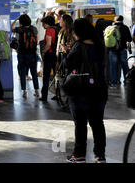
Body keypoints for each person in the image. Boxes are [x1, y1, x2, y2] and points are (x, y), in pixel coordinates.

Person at [64, 18, 108, 163]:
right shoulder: (100, 45)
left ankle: (79, 155)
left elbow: (67, 64)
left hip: (80, 90)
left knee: (80, 124)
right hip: (99, 89)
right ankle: (100, 156)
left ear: (77, 32)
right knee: (97, 123)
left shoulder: (78, 46)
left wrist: (66, 52)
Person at [12, 14, 40, 98]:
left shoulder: (20, 29)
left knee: (23, 72)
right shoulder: (34, 28)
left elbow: (11, 28)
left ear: (21, 22)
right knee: (34, 72)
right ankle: (37, 91)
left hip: (22, 53)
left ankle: (24, 91)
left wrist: (16, 19)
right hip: (32, 53)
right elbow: (37, 40)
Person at [108, 15, 132, 87]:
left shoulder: (110, 28)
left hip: (112, 50)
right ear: (122, 20)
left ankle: (114, 82)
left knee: (113, 67)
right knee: (125, 66)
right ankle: (127, 81)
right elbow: (129, 39)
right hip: (122, 49)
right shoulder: (125, 28)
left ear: (114, 20)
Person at [40, 15, 57, 102]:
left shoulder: (49, 30)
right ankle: (58, 95)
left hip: (49, 54)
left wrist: (43, 52)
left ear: (47, 23)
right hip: (55, 54)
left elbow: (48, 44)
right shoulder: (56, 29)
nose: (43, 25)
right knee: (56, 75)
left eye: (43, 23)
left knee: (46, 76)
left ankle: (44, 96)